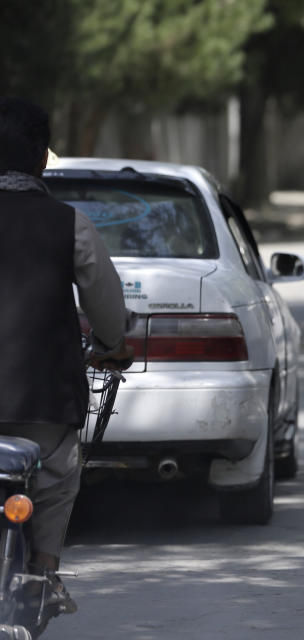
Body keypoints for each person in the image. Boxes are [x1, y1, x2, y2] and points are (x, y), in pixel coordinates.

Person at [0, 97, 132, 614]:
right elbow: (107, 308)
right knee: (58, 475)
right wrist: (112, 345)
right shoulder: (68, 224)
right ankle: (46, 573)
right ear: (40, 161)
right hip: (44, 397)